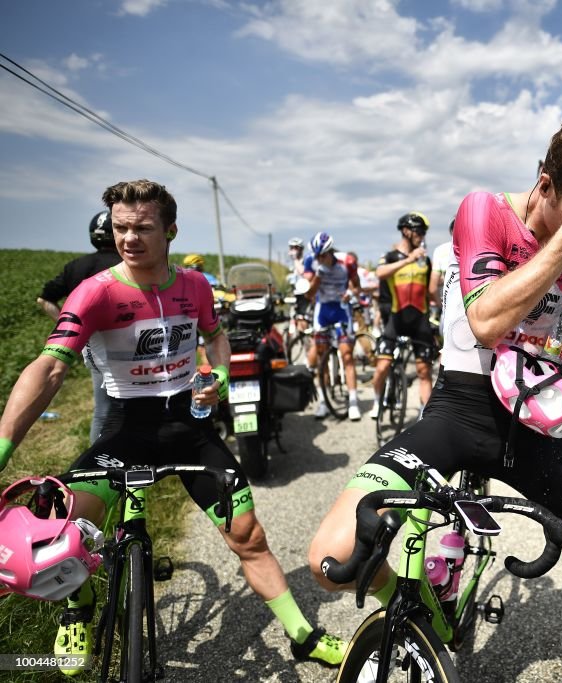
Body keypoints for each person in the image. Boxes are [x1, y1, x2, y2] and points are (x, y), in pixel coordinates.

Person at [308, 112, 562, 683]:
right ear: (546, 183)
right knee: (329, 557)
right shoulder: (484, 211)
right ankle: (418, 599)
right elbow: (484, 322)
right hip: (461, 410)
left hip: (530, 424)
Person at [0, 179, 345, 674]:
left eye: (142, 228)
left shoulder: (196, 286)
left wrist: (221, 377)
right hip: (125, 429)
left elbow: (216, 338)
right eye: (121, 228)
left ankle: (302, 634)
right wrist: (5, 446)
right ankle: (76, 609)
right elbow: (50, 367)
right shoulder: (94, 292)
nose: (128, 238)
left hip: (188, 427)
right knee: (61, 530)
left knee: (248, 536)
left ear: (171, 231)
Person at [36, 210, 122, 444]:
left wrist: (72, 326)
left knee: (103, 408)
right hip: (133, 343)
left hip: (92, 345)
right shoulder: (129, 264)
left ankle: (97, 464)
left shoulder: (76, 266)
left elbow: (44, 299)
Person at [368, 212, 437, 418]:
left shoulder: (425, 259)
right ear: (406, 231)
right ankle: (377, 400)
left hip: (419, 320)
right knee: (382, 367)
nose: (422, 236)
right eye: (419, 231)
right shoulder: (390, 256)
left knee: (424, 372)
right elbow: (380, 273)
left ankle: (425, 416)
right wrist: (408, 260)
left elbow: (431, 288)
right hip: (396, 319)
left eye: (424, 232)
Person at [304, 232, 362, 421]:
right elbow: (308, 295)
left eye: (323, 256)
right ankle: (323, 401)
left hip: (341, 310)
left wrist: (351, 295)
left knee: (347, 355)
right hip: (323, 312)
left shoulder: (347, 262)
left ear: (330, 252)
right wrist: (318, 277)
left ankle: (353, 402)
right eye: (317, 256)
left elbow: (356, 286)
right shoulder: (310, 262)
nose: (319, 259)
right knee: (321, 359)